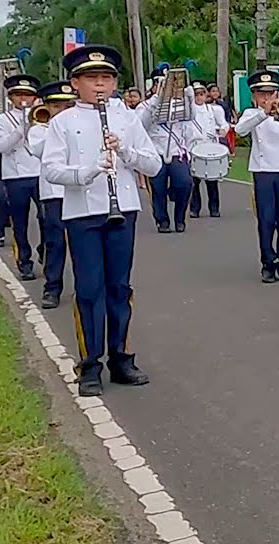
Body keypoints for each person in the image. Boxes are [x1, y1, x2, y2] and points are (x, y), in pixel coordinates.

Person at [41, 45, 162, 397]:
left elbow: (153, 165)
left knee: (119, 288)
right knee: (90, 289)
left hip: (122, 208)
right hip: (82, 213)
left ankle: (121, 357)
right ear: (75, 83)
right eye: (91, 78)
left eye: (106, 78)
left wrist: (124, 150)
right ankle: (89, 363)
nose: (100, 85)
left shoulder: (127, 118)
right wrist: (89, 171)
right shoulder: (63, 122)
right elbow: (50, 169)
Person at [234, 70, 279, 283]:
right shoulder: (251, 113)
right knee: (266, 220)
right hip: (263, 170)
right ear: (254, 96)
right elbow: (240, 130)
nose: (267, 98)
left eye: (271, 93)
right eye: (262, 94)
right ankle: (267, 263)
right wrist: (263, 113)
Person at [27, 81, 78, 308]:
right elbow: (38, 151)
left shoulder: (80, 124)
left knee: (81, 242)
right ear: (46, 106)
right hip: (53, 192)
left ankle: (84, 287)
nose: (62, 110)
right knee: (55, 242)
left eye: (67, 105)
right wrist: (58, 126)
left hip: (78, 190)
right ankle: (52, 288)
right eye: (56, 106)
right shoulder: (39, 129)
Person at [0, 74, 45, 281]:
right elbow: (2, 147)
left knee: (47, 217)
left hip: (41, 173)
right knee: (20, 221)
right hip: (16, 175)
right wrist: (20, 129)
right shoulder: (3, 119)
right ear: (11, 97)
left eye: (28, 95)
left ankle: (44, 249)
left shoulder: (43, 115)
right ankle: (24, 261)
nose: (23, 99)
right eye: (18, 95)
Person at [138, 78, 196, 233]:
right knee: (158, 188)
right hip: (155, 152)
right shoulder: (144, 106)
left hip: (176, 152)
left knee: (185, 183)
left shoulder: (178, 105)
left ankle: (180, 218)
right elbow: (141, 124)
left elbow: (190, 117)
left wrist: (190, 99)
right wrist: (156, 101)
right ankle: (162, 220)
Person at [188, 82, 230, 218]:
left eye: (201, 94)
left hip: (210, 145)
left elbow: (224, 123)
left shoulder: (214, 109)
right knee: (194, 182)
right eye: (196, 95)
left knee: (212, 180)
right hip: (193, 147)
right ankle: (195, 208)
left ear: (206, 95)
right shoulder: (187, 110)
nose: (198, 97)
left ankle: (214, 208)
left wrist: (224, 129)